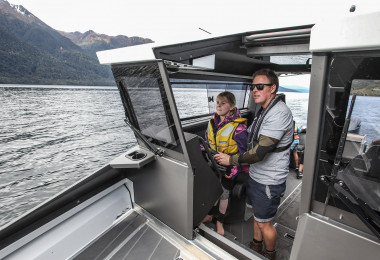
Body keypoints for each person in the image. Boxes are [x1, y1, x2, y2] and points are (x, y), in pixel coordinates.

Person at [214, 69, 293, 260]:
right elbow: (250, 135)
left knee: (265, 223)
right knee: (257, 216)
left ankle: (270, 254)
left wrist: (230, 160)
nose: (254, 90)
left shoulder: (279, 113)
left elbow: (259, 152)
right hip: (257, 176)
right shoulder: (263, 110)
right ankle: (256, 247)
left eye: (260, 86)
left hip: (269, 179)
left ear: (272, 88)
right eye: (252, 87)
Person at [201, 91, 248, 236]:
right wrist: (202, 148)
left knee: (223, 193)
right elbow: (207, 143)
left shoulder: (239, 128)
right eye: (217, 103)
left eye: (223, 103)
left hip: (231, 167)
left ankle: (219, 221)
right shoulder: (212, 123)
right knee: (212, 189)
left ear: (232, 106)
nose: (219, 106)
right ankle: (209, 215)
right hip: (214, 165)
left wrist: (233, 169)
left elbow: (244, 153)